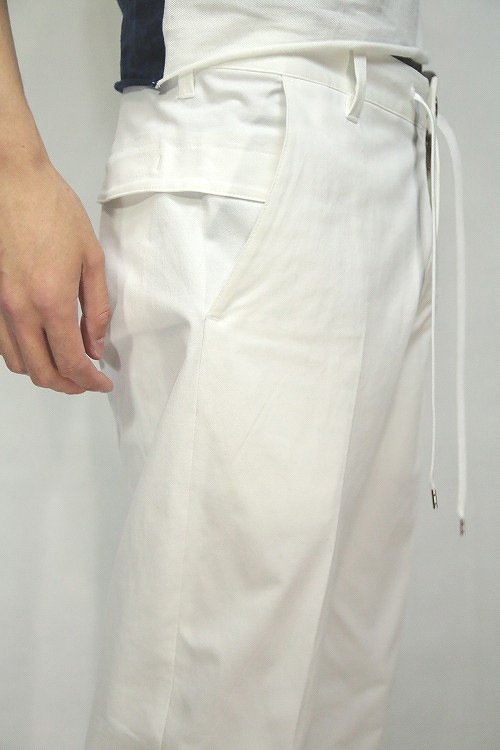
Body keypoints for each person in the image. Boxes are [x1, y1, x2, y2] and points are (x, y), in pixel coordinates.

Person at [0, 2, 461, 748]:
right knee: (213, 702)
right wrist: (11, 170)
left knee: (340, 704)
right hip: (249, 112)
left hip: (396, 124)